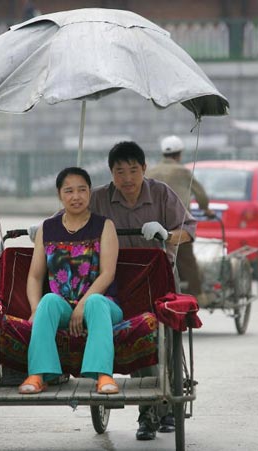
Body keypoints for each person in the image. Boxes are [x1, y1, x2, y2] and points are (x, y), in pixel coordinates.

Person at [89, 141, 197, 440]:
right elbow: (68, 219)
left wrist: (166, 234)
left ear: (144, 169)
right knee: (137, 338)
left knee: (160, 342)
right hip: (114, 283)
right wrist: (44, 228)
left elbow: (189, 230)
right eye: (119, 171)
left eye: (133, 170)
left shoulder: (162, 193)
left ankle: (157, 409)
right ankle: (147, 412)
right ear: (111, 173)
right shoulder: (98, 198)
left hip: (157, 282)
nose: (127, 178)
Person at [19, 167, 123, 395]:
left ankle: (103, 374)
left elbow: (108, 273)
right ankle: (39, 374)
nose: (76, 196)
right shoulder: (47, 228)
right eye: (69, 191)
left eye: (82, 190)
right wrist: (35, 309)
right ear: (60, 195)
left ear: (90, 193)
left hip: (103, 305)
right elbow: (35, 276)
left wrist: (83, 304)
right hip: (64, 306)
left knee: (95, 301)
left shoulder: (104, 226)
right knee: (47, 301)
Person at [147, 135, 214, 307]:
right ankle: (197, 296)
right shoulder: (183, 172)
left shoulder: (150, 171)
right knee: (187, 260)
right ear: (179, 154)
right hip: (177, 226)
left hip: (152, 226)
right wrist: (206, 209)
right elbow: (200, 195)